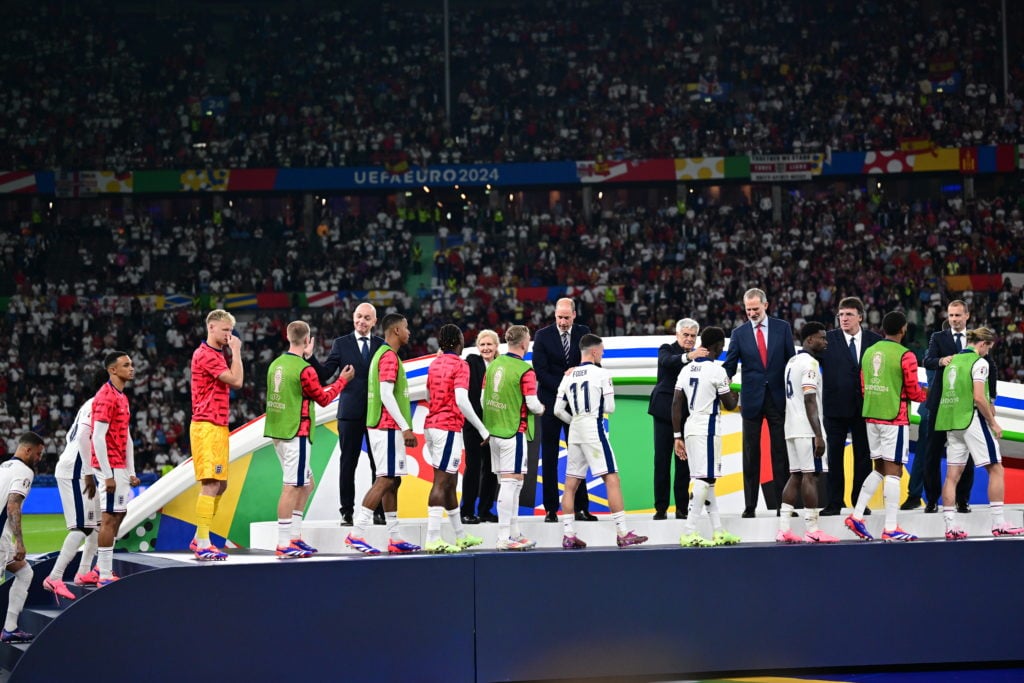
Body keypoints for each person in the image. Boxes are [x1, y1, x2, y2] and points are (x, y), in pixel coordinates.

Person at [264, 321, 354, 558]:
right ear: (307, 341)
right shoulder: (305, 370)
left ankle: (294, 536)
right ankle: (284, 543)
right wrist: (342, 381)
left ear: (287, 336)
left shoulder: (276, 364)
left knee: (306, 484)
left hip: (278, 431)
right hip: (297, 433)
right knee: (292, 486)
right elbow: (323, 399)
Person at [554, 334, 648, 549]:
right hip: (593, 429)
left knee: (570, 485)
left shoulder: (568, 375)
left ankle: (568, 534)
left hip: (575, 429)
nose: (602, 354)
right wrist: (589, 416)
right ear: (595, 352)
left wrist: (575, 421)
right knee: (612, 479)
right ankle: (623, 532)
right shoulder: (602, 373)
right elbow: (610, 408)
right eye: (602, 351)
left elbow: (557, 410)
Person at [845, 311, 928, 542]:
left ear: (883, 329)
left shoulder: (869, 352)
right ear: (903, 329)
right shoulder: (906, 355)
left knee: (879, 467)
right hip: (894, 418)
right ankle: (891, 528)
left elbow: (863, 386)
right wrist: (926, 395)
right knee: (895, 471)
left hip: (871, 416)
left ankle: (857, 515)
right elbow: (913, 390)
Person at [934, 327, 1023, 539]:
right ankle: (999, 523)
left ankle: (950, 527)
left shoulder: (951, 361)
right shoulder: (979, 363)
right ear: (982, 344)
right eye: (988, 349)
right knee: (996, 469)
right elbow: (979, 398)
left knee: (952, 476)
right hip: (971, 419)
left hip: (951, 421)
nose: (987, 353)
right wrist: (993, 423)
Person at [343, 313, 420, 555]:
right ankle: (356, 533)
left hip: (383, 426)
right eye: (406, 327)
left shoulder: (383, 354)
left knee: (393, 481)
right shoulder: (388, 357)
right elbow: (386, 394)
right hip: (386, 427)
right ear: (396, 330)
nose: (409, 332)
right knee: (386, 478)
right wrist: (405, 427)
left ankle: (395, 537)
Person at [722, 288, 794, 517]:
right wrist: (720, 380)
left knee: (780, 453)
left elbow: (791, 362)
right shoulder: (738, 333)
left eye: (755, 308)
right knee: (751, 454)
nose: (752, 313)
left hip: (778, 399)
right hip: (751, 401)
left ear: (766, 305)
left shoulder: (783, 328)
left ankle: (785, 505)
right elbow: (730, 366)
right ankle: (750, 505)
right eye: (748, 309)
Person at [319, 302, 387, 527]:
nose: (362, 321)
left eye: (367, 318)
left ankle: (378, 511)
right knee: (348, 463)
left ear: (374, 321)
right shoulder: (341, 343)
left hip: (376, 414)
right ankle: (346, 512)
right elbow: (326, 373)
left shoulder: (381, 345)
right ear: (353, 317)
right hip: (349, 414)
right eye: (359, 316)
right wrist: (309, 358)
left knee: (378, 466)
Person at [421, 324, 488, 553]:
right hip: (447, 427)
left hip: (431, 425)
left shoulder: (434, 364)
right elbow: (461, 398)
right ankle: (432, 538)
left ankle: (460, 535)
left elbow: (429, 395)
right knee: (441, 481)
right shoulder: (461, 364)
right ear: (458, 342)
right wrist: (482, 429)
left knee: (449, 482)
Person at [673, 327, 741, 547]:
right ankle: (689, 531)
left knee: (707, 481)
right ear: (718, 346)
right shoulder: (717, 371)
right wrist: (735, 393)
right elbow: (729, 404)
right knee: (703, 480)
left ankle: (718, 531)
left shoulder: (686, 369)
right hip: (707, 428)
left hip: (690, 427)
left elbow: (676, 403)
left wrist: (677, 435)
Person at [483, 325, 546, 550]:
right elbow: (531, 403)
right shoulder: (524, 370)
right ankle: (503, 537)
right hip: (513, 431)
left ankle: (514, 532)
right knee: (511, 484)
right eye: (528, 339)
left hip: (494, 432)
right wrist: (542, 409)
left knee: (514, 483)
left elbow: (483, 399)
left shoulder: (493, 365)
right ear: (523, 343)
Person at [819, 297, 882, 515]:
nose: (844, 319)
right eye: (841, 315)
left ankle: (859, 502)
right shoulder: (826, 339)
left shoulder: (875, 341)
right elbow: (807, 358)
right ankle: (834, 502)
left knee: (863, 458)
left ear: (860, 317)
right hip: (835, 409)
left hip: (865, 409)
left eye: (848, 314)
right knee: (834, 457)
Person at [777, 322, 839, 543]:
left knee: (795, 475)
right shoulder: (810, 363)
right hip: (806, 428)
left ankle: (784, 529)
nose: (825, 341)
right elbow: (810, 398)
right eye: (822, 338)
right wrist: (819, 434)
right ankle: (812, 530)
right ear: (810, 339)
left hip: (790, 427)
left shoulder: (791, 361)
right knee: (810, 475)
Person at [189, 309, 243, 561]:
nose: (228, 335)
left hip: (218, 425)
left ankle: (200, 535)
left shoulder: (217, 354)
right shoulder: (206, 354)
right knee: (211, 484)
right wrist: (238, 352)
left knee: (221, 484)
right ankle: (202, 541)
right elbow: (236, 381)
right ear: (211, 327)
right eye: (224, 330)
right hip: (206, 425)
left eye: (230, 331)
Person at [532, 297, 592, 522]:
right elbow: (540, 370)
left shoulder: (584, 333)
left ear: (574, 315)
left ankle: (582, 508)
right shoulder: (542, 336)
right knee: (549, 456)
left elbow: (592, 363)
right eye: (559, 317)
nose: (563, 322)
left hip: (577, 406)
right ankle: (550, 509)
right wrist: (565, 385)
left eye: (567, 317)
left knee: (579, 455)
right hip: (549, 404)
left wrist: (574, 382)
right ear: (554, 315)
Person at [916, 300, 979, 513]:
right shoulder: (938, 337)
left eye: (958, 315)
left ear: (967, 316)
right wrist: (942, 360)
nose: (954, 319)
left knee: (966, 454)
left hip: (966, 406)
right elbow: (927, 361)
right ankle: (932, 500)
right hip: (940, 405)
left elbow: (988, 366)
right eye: (951, 316)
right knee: (932, 453)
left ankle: (963, 500)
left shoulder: (976, 340)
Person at [648, 318, 707, 520]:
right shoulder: (666, 349)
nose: (689, 339)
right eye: (686, 335)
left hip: (688, 414)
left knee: (684, 463)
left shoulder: (700, 357)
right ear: (677, 335)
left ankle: (682, 508)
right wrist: (690, 356)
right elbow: (668, 362)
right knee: (662, 461)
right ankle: (661, 507)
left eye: (693, 336)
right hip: (664, 412)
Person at [43, 397, 101, 600]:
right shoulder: (101, 402)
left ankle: (84, 572)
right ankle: (54, 577)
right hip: (76, 470)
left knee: (95, 525)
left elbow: (72, 435)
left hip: (80, 467)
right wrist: (87, 471)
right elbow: (84, 434)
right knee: (82, 526)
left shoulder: (90, 403)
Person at [92, 351, 140, 585]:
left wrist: (131, 471)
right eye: (126, 365)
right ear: (112, 370)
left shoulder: (121, 397)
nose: (131, 368)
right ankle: (103, 573)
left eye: (131, 364)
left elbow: (127, 436)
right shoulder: (106, 397)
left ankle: (100, 567)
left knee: (120, 513)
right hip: (109, 465)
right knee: (109, 518)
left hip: (120, 465)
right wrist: (108, 474)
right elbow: (98, 437)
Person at [0, 432, 44, 643]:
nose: (39, 459)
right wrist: (20, 542)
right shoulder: (24, 471)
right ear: (27, 450)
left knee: (25, 572)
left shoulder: (4, 467)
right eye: (38, 454)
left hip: (3, 540)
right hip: (0, 539)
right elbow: (13, 505)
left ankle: (10, 628)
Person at [460, 329, 500, 523]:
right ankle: (466, 511)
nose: (486, 348)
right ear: (477, 347)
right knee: (473, 467)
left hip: (495, 426)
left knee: (492, 470)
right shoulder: (472, 361)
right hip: (473, 424)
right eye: (482, 344)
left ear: (496, 347)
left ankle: (485, 509)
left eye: (489, 344)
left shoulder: (501, 365)